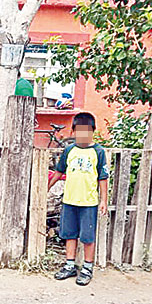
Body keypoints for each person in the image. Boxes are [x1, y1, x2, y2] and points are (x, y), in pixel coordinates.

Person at [47, 112, 109, 286]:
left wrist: (103, 200)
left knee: (87, 237)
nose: (83, 135)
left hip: (88, 203)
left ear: (93, 132)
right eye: (79, 131)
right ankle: (69, 265)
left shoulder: (98, 152)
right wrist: (48, 186)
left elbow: (102, 178)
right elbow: (59, 172)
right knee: (69, 234)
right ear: (73, 131)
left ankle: (87, 268)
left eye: (87, 131)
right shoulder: (69, 151)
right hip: (69, 201)